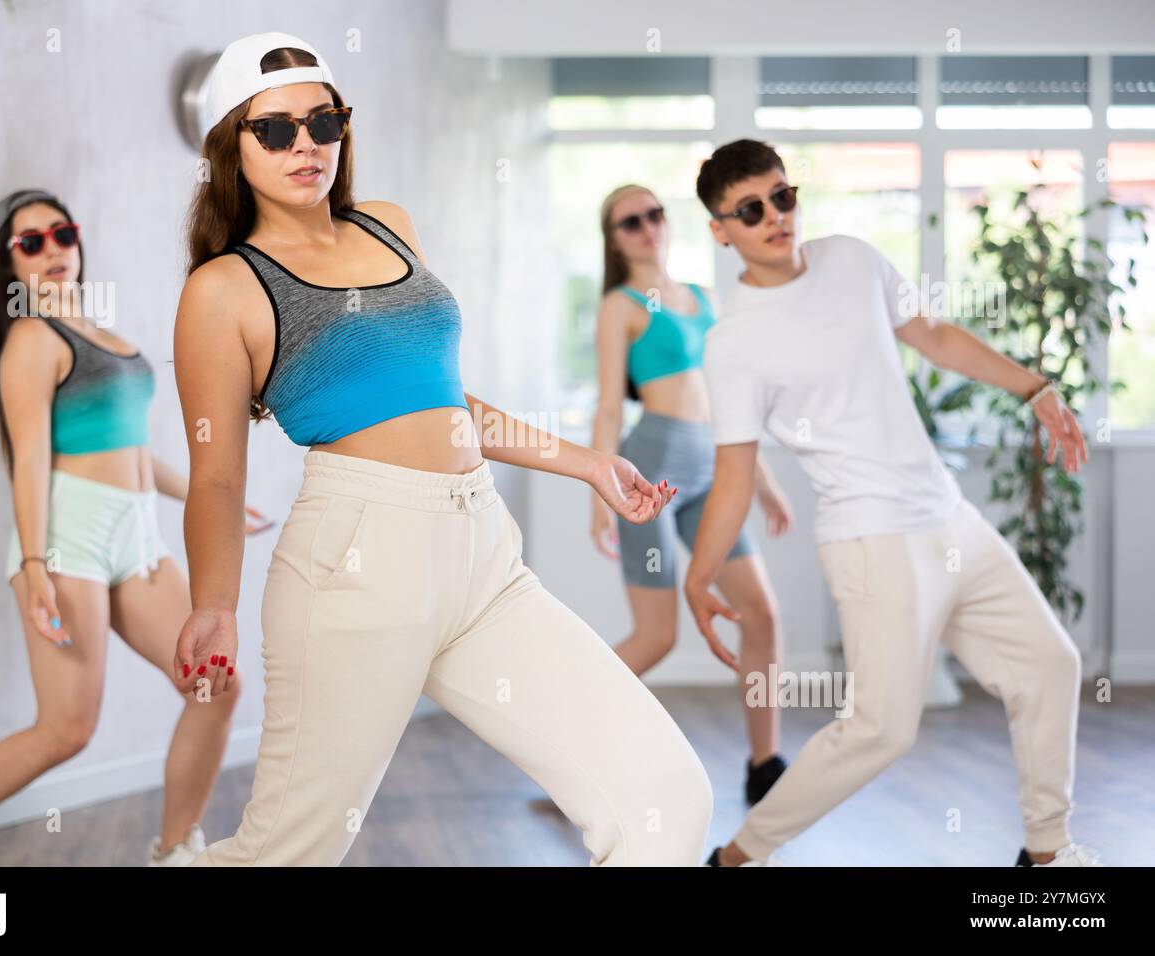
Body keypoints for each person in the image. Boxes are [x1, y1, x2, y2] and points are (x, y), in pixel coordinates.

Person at [172, 31, 715, 867]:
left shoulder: (388, 226)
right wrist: (212, 606)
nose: (305, 144)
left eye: (323, 121)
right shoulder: (223, 290)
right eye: (273, 129)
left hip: (482, 555)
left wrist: (587, 463)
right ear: (229, 148)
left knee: (664, 800)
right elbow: (213, 476)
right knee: (285, 855)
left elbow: (444, 404)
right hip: (352, 567)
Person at [684, 139, 1100, 868]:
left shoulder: (852, 258)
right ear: (721, 230)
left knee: (1049, 664)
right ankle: (738, 857)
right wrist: (699, 574)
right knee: (881, 728)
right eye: (751, 210)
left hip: (946, 517)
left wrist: (1034, 387)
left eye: (783, 195)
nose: (776, 216)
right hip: (871, 540)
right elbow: (734, 474)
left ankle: (1046, 853)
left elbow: (933, 336)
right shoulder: (735, 344)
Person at [0, 189, 266, 867]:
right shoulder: (31, 339)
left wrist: (212, 501)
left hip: (138, 537)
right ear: (10, 267)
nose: (52, 249)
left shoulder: (105, 334)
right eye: (29, 242)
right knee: (67, 729)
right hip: (70, 541)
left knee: (216, 685)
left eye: (60, 233)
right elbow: (31, 459)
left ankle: (175, 849)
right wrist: (35, 565)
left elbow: (131, 452)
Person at [590, 183, 792, 804]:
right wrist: (598, 491)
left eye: (654, 214)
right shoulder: (620, 306)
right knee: (658, 637)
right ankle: (563, 742)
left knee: (761, 614)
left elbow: (733, 400)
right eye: (631, 221)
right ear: (614, 238)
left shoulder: (705, 298)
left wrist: (764, 483)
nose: (647, 227)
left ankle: (765, 765)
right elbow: (605, 407)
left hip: (717, 473)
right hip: (650, 472)